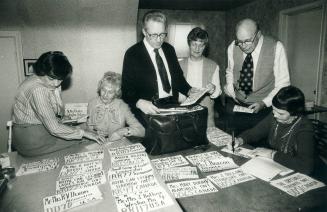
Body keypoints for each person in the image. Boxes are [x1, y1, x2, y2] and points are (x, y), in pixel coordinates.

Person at [121, 10, 206, 126]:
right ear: (144, 32)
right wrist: (138, 102)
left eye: (162, 34)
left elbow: (178, 78)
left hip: (172, 106)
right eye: (154, 35)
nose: (159, 39)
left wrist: (188, 90)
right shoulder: (132, 54)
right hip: (147, 111)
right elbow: (126, 90)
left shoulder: (169, 49)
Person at [12, 51, 104, 157]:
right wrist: (84, 133)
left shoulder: (43, 79)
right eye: (51, 79)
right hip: (32, 139)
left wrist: (66, 119)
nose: (56, 84)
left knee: (84, 134)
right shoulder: (38, 89)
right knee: (88, 140)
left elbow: (50, 113)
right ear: (42, 71)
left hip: (38, 132)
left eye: (60, 79)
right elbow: (54, 128)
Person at [228, 86, 315, 175]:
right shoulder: (274, 117)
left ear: (295, 113)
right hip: (278, 167)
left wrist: (272, 154)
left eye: (281, 113)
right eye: (274, 110)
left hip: (299, 173)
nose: (275, 115)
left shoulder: (304, 128)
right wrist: (239, 140)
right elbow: (254, 133)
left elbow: (306, 166)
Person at [224, 18, 290, 133]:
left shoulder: (276, 47)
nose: (243, 45)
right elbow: (230, 70)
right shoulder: (232, 47)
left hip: (265, 110)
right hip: (239, 107)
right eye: (239, 41)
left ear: (258, 34)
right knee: (238, 142)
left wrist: (264, 103)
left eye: (247, 40)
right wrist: (230, 87)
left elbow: (283, 83)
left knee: (260, 147)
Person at [179, 27, 221, 127]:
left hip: (206, 119)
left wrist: (213, 89)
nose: (197, 49)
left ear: (205, 47)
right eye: (194, 44)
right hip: (184, 117)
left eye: (201, 45)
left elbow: (217, 93)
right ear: (189, 44)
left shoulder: (213, 65)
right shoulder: (178, 66)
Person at [87, 71, 145, 142]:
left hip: (116, 144)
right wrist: (94, 133)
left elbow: (141, 131)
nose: (105, 95)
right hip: (95, 143)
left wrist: (121, 132)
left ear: (116, 93)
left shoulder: (122, 106)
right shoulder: (92, 103)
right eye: (103, 90)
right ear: (100, 88)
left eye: (110, 92)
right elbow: (89, 127)